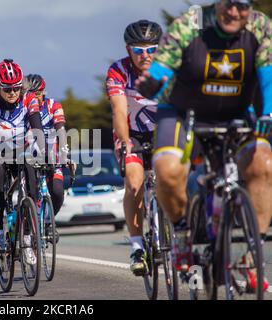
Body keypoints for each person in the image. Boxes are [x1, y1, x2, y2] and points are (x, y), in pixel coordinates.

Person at [136, 0, 272, 291]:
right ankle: (184, 235)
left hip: (237, 113)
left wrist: (268, 113)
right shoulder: (190, 23)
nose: (234, 13)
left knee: (264, 163)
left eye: (242, 6)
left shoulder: (260, 26)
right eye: (228, 4)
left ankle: (252, 255)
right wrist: (153, 81)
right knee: (167, 170)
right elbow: (164, 64)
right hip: (184, 113)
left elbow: (267, 75)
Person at [106, 19, 162, 276]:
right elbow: (119, 110)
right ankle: (137, 246)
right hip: (133, 134)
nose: (145, 56)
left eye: (151, 49)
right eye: (139, 50)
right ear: (129, 49)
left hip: (164, 131)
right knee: (134, 182)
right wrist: (126, 142)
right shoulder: (119, 70)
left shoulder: (167, 67)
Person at [0, 58, 46, 265]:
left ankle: (27, 237)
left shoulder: (29, 98)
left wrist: (43, 151)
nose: (12, 93)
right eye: (7, 90)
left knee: (31, 172)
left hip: (21, 148)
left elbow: (36, 127)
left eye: (16, 88)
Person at [24, 73, 69, 241]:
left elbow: (61, 130)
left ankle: (49, 222)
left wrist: (64, 153)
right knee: (32, 191)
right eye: (31, 94)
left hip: (51, 155)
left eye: (38, 93)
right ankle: (29, 223)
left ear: (43, 92)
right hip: (30, 154)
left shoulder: (53, 106)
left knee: (57, 192)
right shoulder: (23, 107)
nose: (35, 97)